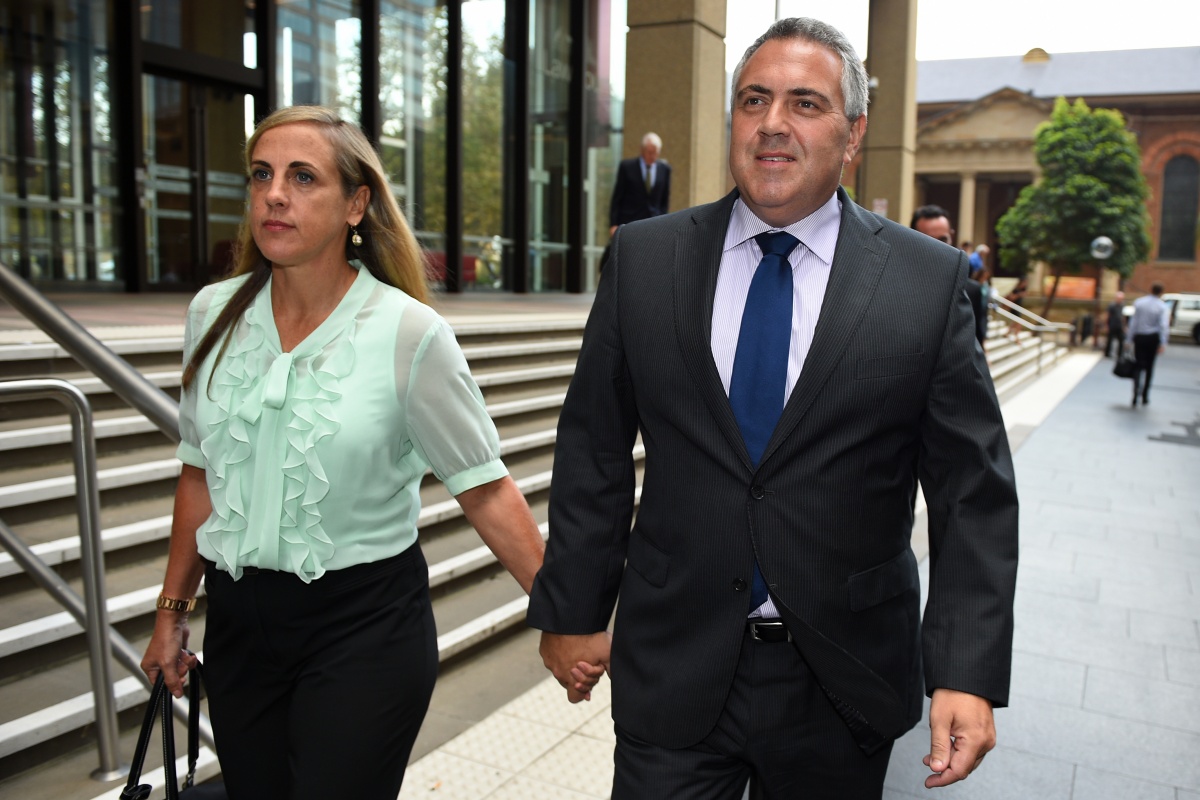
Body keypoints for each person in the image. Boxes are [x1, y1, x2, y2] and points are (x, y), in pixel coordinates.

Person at [529, 17, 1018, 799]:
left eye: (805, 103)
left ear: (854, 135)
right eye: (754, 100)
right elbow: (593, 450)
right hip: (675, 666)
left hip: (842, 681)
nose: (773, 123)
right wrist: (572, 607)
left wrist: (965, 669)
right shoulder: (645, 261)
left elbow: (973, 494)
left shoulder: (926, 283)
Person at [140, 105, 546, 800]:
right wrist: (172, 610)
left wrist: (564, 617)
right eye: (262, 175)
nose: (275, 194)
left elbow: (484, 488)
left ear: (356, 204)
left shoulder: (409, 333)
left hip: (365, 629)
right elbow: (200, 472)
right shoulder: (211, 312)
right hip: (239, 629)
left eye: (303, 177)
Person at [911, 205, 988, 346]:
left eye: (942, 240)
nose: (937, 248)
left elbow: (976, 341)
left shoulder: (971, 291)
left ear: (951, 236)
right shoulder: (894, 288)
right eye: (926, 240)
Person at [609, 132, 672, 235]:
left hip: (654, 224)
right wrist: (613, 224)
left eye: (655, 152)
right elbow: (617, 197)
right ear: (642, 150)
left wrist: (663, 221)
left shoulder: (665, 169)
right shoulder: (627, 167)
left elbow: (664, 200)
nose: (652, 156)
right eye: (649, 152)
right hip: (630, 222)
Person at [1126, 282, 1170, 407]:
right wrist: (1163, 342)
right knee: (1150, 367)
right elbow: (1163, 326)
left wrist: (1129, 339)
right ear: (1161, 292)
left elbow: (1133, 322)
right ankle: (1145, 395)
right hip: (1152, 338)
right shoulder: (1162, 306)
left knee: (1138, 365)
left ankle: (1135, 393)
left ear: (1151, 289)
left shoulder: (1140, 303)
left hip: (1140, 337)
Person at [1105, 290, 1126, 358]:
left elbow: (1123, 316)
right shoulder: (1112, 305)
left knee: (1121, 340)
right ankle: (1107, 353)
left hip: (1119, 325)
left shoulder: (1122, 305)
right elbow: (1108, 315)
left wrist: (1124, 326)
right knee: (1109, 340)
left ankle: (1120, 354)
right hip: (1112, 325)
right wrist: (1107, 325)